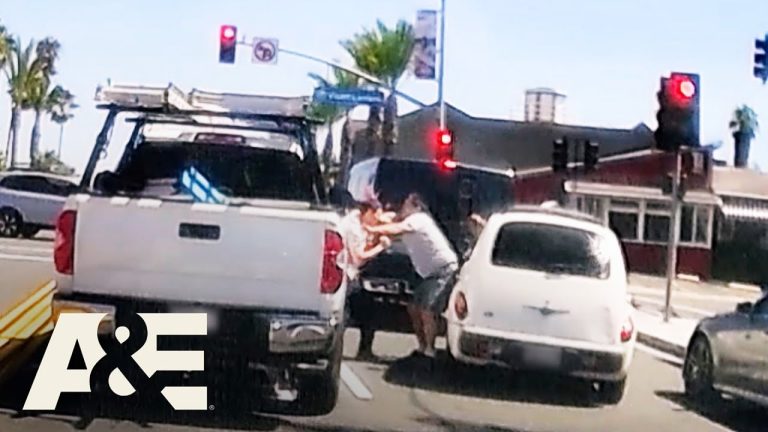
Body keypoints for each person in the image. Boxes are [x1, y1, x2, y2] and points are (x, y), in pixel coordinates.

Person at [364, 192, 459, 359]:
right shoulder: (409, 220)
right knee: (413, 308)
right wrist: (377, 220)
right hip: (430, 273)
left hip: (443, 270)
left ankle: (430, 349)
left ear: (416, 206)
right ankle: (422, 346)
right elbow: (391, 222)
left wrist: (372, 228)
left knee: (427, 309)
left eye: (407, 204)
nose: (403, 206)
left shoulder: (419, 219)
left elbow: (397, 228)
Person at [338, 194, 392, 360]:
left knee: (367, 312)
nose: (377, 219)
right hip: (343, 274)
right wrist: (380, 247)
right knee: (344, 316)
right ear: (367, 211)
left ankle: (364, 350)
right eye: (376, 215)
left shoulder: (361, 224)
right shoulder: (352, 226)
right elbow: (359, 257)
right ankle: (335, 349)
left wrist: (375, 236)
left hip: (351, 274)